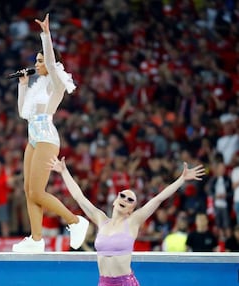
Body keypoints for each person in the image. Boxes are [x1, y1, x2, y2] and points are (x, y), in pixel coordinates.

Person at [48, 156, 205, 286]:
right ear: (115, 201)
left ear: (131, 209)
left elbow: (158, 199)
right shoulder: (101, 219)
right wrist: (64, 171)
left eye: (130, 199)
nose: (125, 199)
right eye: (122, 195)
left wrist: (182, 179)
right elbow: (79, 197)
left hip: (125, 283)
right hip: (103, 282)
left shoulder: (133, 222)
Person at [12, 13, 89, 253]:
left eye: (40, 60)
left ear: (52, 63)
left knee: (37, 191)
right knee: (28, 190)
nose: (36, 64)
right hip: (33, 136)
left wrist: (46, 34)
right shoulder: (37, 88)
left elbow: (52, 60)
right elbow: (23, 113)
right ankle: (36, 240)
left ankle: (76, 221)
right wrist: (22, 85)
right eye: (36, 60)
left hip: (46, 136)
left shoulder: (56, 84)